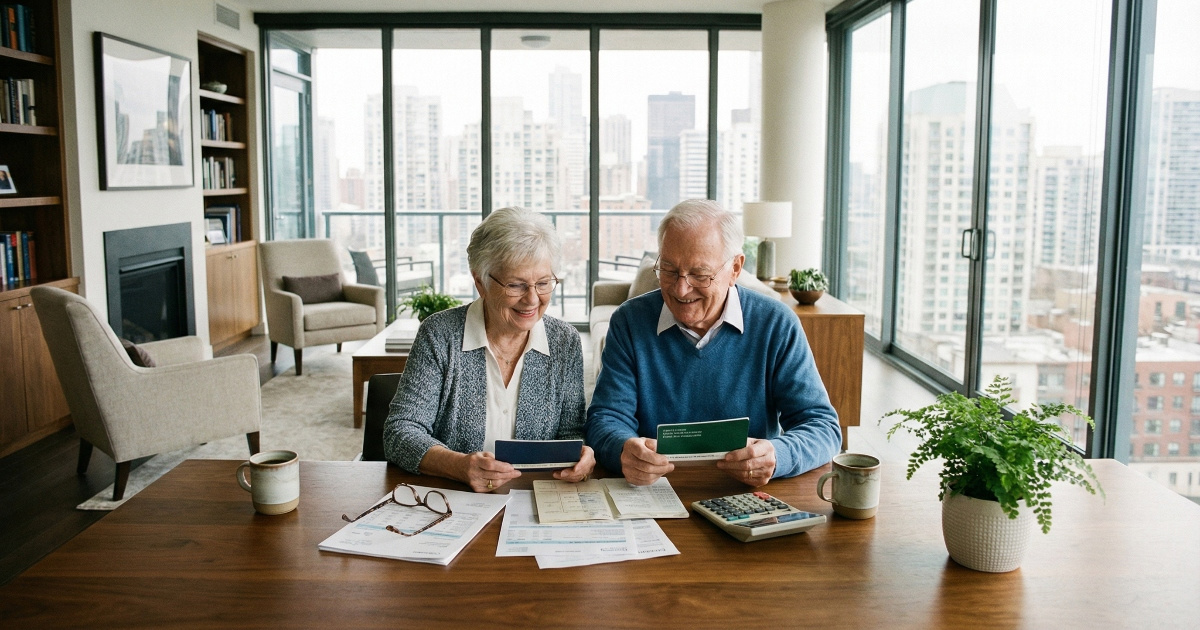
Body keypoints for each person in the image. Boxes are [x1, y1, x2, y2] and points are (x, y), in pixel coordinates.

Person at [586, 199, 841, 486]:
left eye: (699, 274)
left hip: (747, 495)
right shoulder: (629, 322)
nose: (681, 289)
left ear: (735, 268)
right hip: (653, 491)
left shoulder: (776, 324)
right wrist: (623, 449)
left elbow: (823, 427)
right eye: (669, 270)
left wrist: (777, 455)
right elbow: (604, 419)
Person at [384, 206, 595, 492]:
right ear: (480, 282)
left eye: (544, 283)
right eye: (516, 285)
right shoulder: (440, 334)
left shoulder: (565, 341)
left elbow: (571, 432)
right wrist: (458, 465)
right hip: (452, 499)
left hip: (534, 500)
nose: (532, 299)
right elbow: (400, 431)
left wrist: (582, 454)